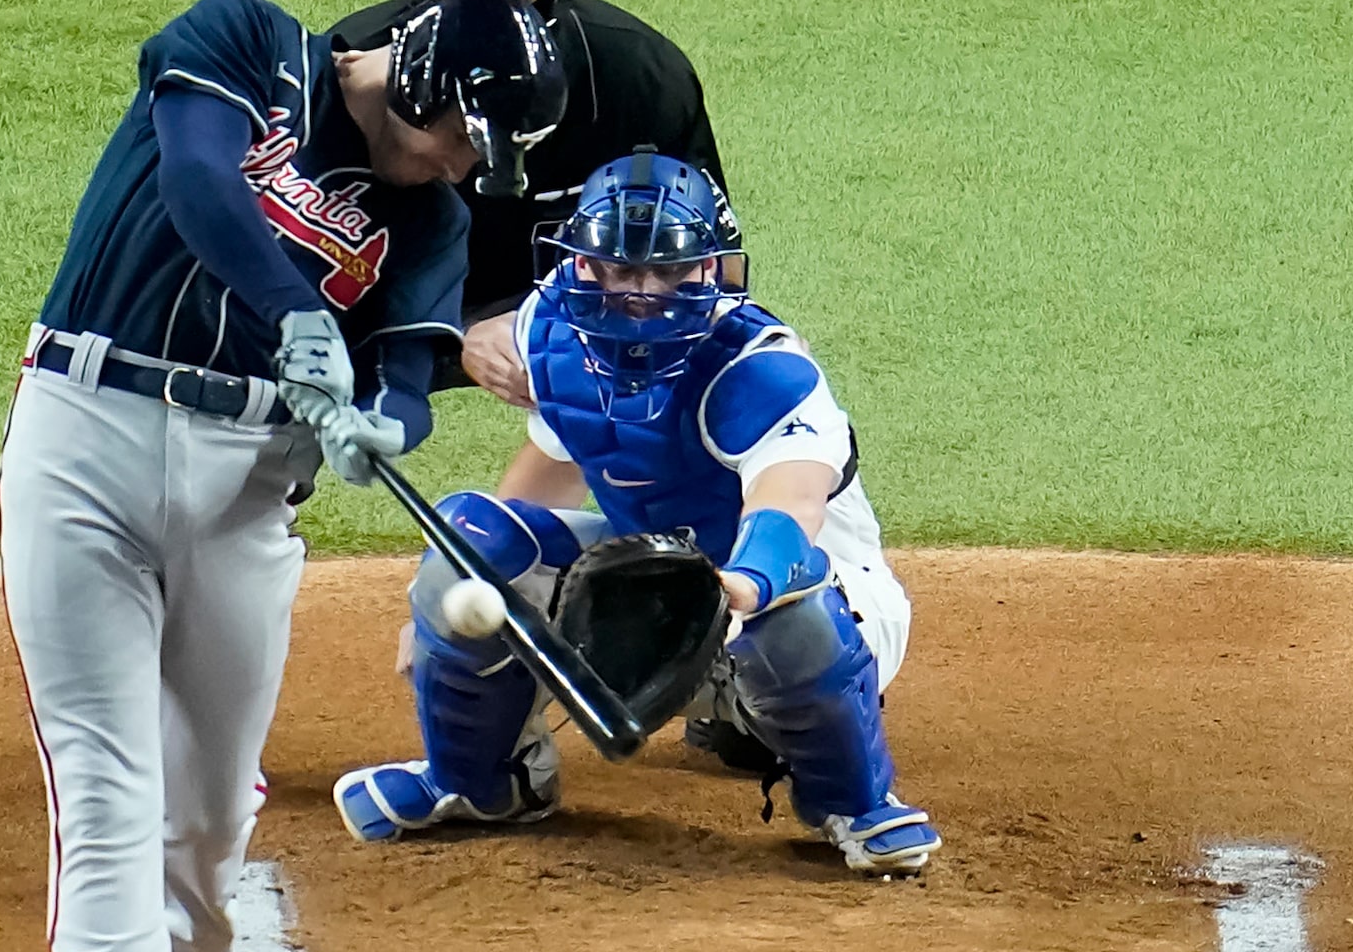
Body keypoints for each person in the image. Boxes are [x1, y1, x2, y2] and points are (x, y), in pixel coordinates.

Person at [0, 0, 567, 952]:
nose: (471, 163)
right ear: (422, 85)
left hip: (249, 490)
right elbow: (202, 183)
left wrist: (380, 425)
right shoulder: (244, 42)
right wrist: (299, 310)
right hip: (82, 441)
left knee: (211, 797)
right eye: (468, 134)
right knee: (106, 792)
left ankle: (200, 948)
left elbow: (411, 376)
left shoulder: (434, 216)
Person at [330, 151, 941, 878]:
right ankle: (481, 782)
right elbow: (539, 483)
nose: (642, 294)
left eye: (666, 272)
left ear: (710, 270)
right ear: (585, 265)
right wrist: (447, 615)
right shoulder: (556, 334)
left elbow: (788, 509)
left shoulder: (758, 368)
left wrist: (732, 592)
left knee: (790, 594)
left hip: (812, 609)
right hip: (643, 606)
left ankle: (852, 800)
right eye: (621, 270)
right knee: (472, 538)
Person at [329, 0, 731, 408]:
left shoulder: (641, 72)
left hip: (583, 316)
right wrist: (450, 336)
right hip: (400, 328)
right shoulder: (354, 72)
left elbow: (714, 262)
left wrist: (554, 324)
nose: (488, 5)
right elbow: (309, 269)